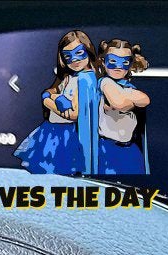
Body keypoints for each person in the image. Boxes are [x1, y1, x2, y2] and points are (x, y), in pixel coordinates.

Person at [14, 30, 101, 175]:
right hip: (53, 132)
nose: (74, 59)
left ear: (88, 50)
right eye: (68, 56)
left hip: (66, 136)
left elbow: (74, 114)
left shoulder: (85, 79)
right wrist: (54, 97)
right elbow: (54, 91)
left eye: (79, 53)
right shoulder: (70, 77)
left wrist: (48, 101)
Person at [96, 39, 151, 175]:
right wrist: (130, 101)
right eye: (113, 61)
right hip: (108, 148)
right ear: (103, 61)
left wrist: (126, 97)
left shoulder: (127, 86)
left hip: (129, 147)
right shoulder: (105, 82)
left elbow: (145, 99)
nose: (118, 67)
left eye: (124, 62)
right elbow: (119, 103)